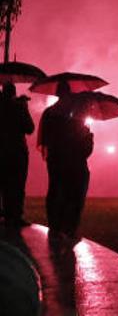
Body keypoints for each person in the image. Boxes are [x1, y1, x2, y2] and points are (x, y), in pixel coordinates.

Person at [38, 81, 94, 239]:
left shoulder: (49, 113)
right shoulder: (76, 116)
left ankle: (55, 225)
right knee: (75, 194)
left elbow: (45, 140)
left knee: (55, 191)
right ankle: (70, 227)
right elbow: (85, 150)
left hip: (55, 160)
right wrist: (89, 136)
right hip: (75, 163)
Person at [0, 82, 35, 228]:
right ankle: (15, 215)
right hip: (17, 152)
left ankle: (5, 213)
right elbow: (29, 128)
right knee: (17, 185)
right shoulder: (18, 108)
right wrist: (24, 108)